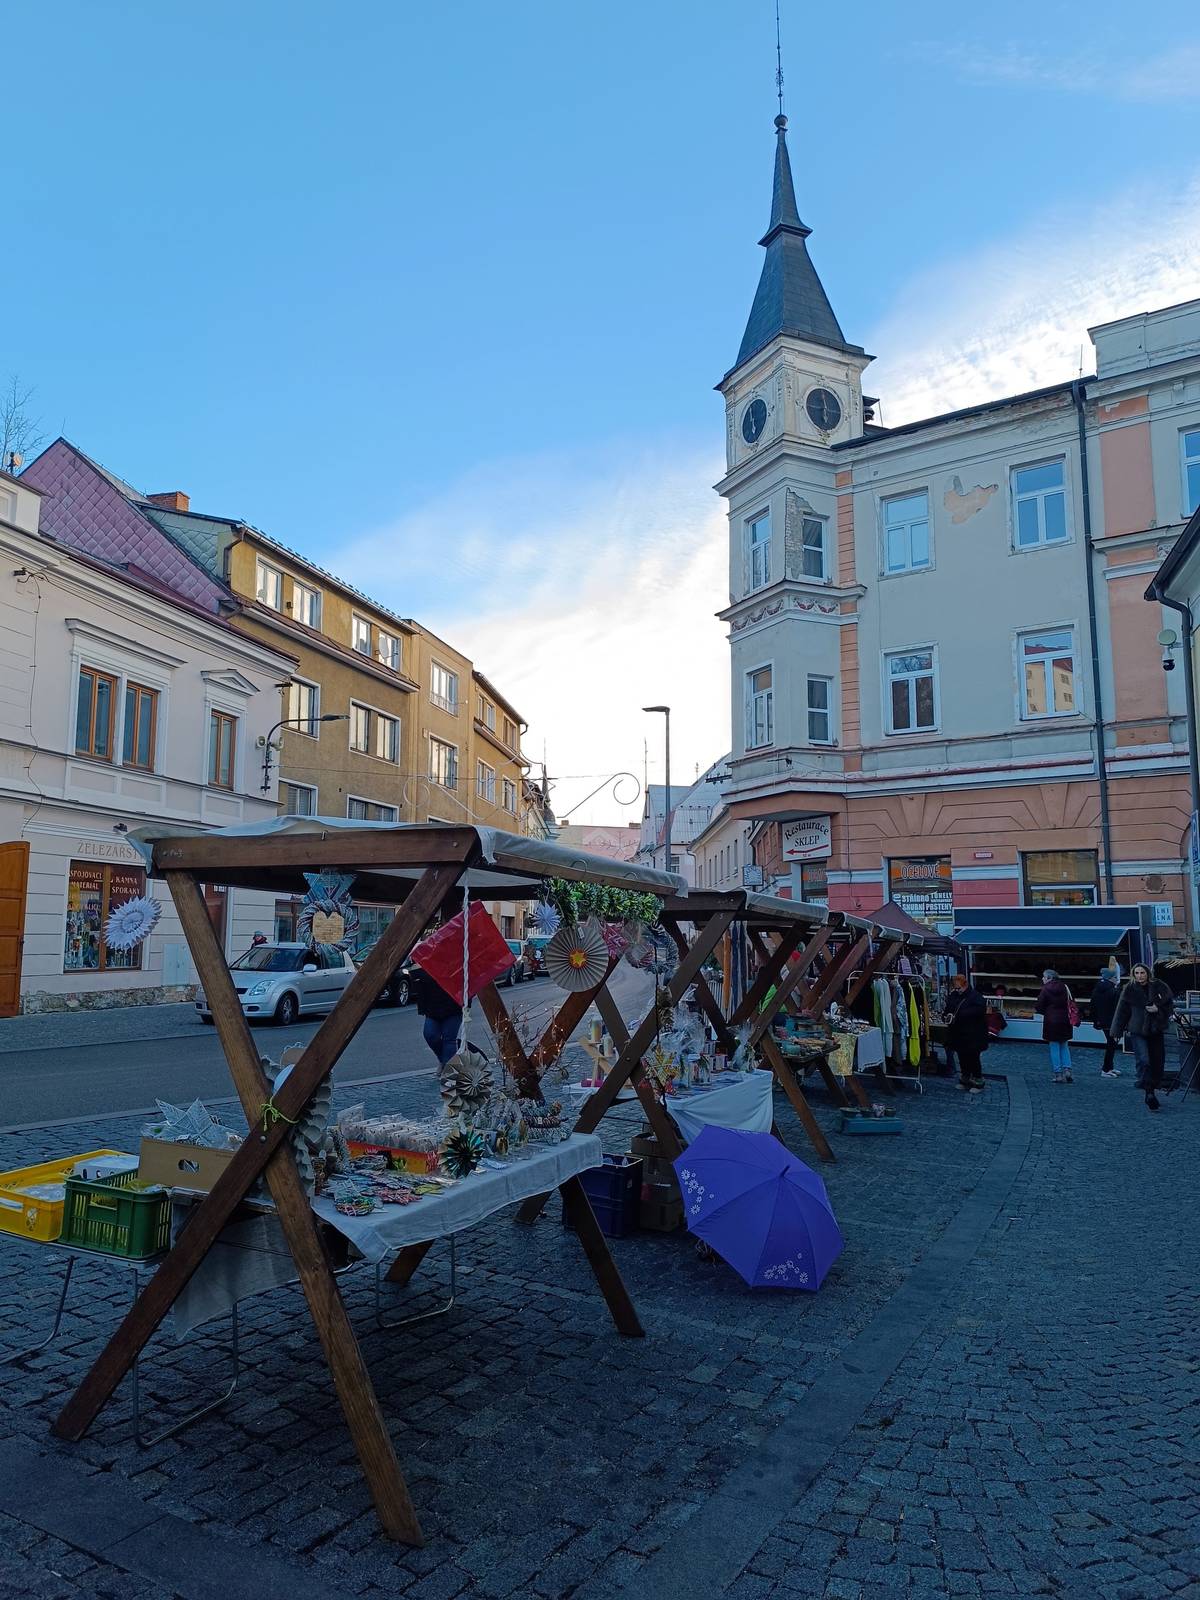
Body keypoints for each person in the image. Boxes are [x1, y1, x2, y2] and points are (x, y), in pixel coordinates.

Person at [1112, 963, 1175, 1112]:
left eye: (1142, 973)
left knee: (1156, 1062)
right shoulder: (1130, 989)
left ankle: (1152, 1089)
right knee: (1144, 1060)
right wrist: (1116, 1031)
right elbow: (1122, 1011)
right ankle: (1149, 1093)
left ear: (1147, 973)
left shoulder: (1160, 986)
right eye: (1137, 973)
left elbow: (1169, 1007)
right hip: (1137, 1030)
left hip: (1155, 1030)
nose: (1140, 976)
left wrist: (1157, 1009)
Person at [413, 966, 465, 1067]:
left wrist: (466, 1003)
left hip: (453, 1006)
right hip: (433, 1007)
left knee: (449, 1039)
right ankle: (447, 1063)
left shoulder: (455, 964)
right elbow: (420, 983)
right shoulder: (429, 964)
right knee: (430, 1035)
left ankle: (450, 1070)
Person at [945, 974, 987, 1092]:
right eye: (955, 988)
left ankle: (978, 1081)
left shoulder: (976, 997)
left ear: (965, 985)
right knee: (962, 1057)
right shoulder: (954, 995)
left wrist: (959, 1015)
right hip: (959, 1033)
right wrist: (947, 1016)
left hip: (974, 1034)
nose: (957, 990)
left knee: (973, 1058)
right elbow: (948, 1008)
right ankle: (965, 1078)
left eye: (959, 988)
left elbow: (978, 1012)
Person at [1035, 969, 1074, 1083]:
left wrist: (1047, 1012)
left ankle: (1058, 1074)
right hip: (1065, 1020)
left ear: (1049, 978)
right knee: (1064, 1045)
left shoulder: (1045, 989)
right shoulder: (1065, 987)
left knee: (1054, 1047)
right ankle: (1068, 1070)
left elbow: (1039, 1005)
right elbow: (1072, 1001)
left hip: (1051, 1021)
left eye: (1043, 977)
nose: (1042, 979)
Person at [1089, 968, 1122, 1078]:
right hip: (1111, 1021)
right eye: (1115, 978)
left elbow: (1092, 1006)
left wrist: (1095, 1020)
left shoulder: (1097, 988)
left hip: (1103, 1021)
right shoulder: (1113, 990)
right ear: (1111, 978)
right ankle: (1106, 1069)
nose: (1117, 980)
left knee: (1111, 1044)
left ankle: (1109, 1067)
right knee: (1111, 1044)